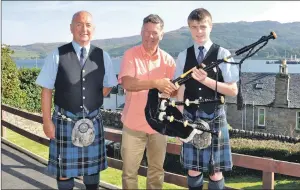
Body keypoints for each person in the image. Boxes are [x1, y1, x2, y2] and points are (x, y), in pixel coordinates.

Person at [35, 11, 117, 190]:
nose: (84, 29)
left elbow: (108, 85)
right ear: (71, 28)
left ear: (93, 29)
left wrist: (92, 100)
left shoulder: (103, 56)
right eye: (79, 24)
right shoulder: (57, 55)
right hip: (65, 122)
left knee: (92, 172)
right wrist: (47, 121)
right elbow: (46, 90)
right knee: (64, 173)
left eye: (88, 25)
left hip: (93, 121)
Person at [174, 8, 239, 190]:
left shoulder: (223, 54)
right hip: (190, 116)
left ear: (210, 27)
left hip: (215, 116)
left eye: (202, 26)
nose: (199, 31)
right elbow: (181, 89)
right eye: (194, 27)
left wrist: (207, 80)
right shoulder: (183, 55)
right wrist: (180, 123)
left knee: (215, 171)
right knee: (193, 170)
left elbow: (233, 90)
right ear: (189, 28)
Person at [118, 14, 177, 189]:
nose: (149, 36)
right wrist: (156, 83)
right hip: (133, 125)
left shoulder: (168, 60)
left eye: (154, 32)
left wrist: (171, 92)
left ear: (162, 35)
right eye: (146, 31)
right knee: (129, 173)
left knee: (157, 172)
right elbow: (127, 83)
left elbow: (174, 92)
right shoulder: (130, 55)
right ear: (141, 32)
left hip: (159, 126)